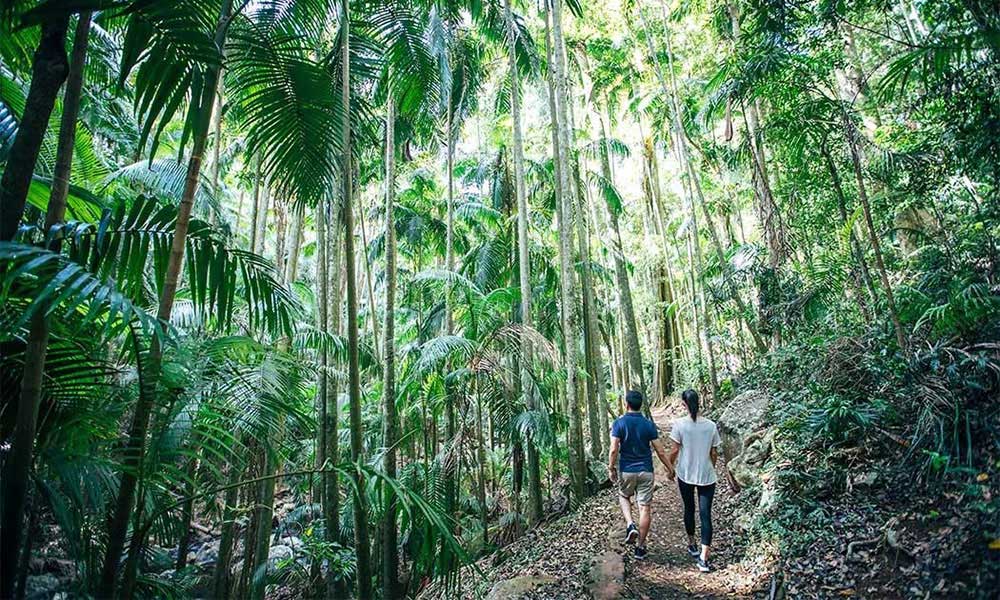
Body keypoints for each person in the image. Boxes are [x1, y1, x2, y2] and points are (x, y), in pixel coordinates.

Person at [608, 390, 672, 560]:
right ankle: (641, 547)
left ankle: (630, 524)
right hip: (646, 470)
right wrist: (670, 468)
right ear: (641, 405)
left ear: (626, 404)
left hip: (627, 470)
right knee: (645, 508)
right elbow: (659, 450)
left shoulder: (618, 423)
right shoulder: (648, 424)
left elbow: (614, 449)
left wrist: (611, 467)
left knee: (623, 496)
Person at [665, 389, 722, 573]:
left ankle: (692, 544)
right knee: (706, 514)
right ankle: (704, 559)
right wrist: (710, 466)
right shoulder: (711, 425)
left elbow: (674, 450)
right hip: (707, 476)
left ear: (684, 404)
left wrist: (670, 468)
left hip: (686, 475)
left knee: (689, 508)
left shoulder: (680, 425)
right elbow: (714, 453)